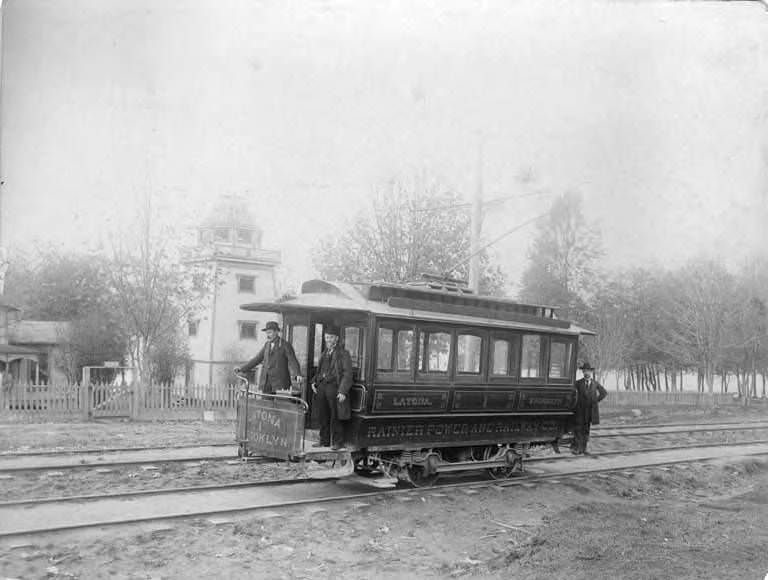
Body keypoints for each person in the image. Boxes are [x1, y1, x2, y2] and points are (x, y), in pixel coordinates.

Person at [311, 325, 353, 450]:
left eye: (330, 337)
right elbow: (319, 371)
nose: (328, 340)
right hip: (322, 388)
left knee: (336, 416)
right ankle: (324, 440)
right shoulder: (324, 353)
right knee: (323, 415)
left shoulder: (343, 354)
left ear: (336, 338)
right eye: (326, 337)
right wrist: (314, 382)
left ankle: (337, 442)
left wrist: (343, 391)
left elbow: (347, 374)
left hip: (335, 388)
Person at [235, 321, 301, 395]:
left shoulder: (285, 345)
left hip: (280, 384)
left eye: (270, 332)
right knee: (266, 405)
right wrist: (242, 369)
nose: (267, 335)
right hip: (266, 384)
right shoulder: (267, 345)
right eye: (267, 333)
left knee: (280, 404)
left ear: (276, 332)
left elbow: (292, 360)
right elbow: (256, 359)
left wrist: (297, 373)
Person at [571, 361, 607, 455]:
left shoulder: (595, 383)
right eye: (585, 371)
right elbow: (572, 394)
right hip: (579, 411)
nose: (586, 373)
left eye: (588, 371)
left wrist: (595, 401)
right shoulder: (578, 383)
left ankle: (584, 449)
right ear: (583, 372)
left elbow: (604, 393)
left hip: (589, 412)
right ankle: (577, 449)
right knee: (578, 430)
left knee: (586, 430)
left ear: (590, 372)